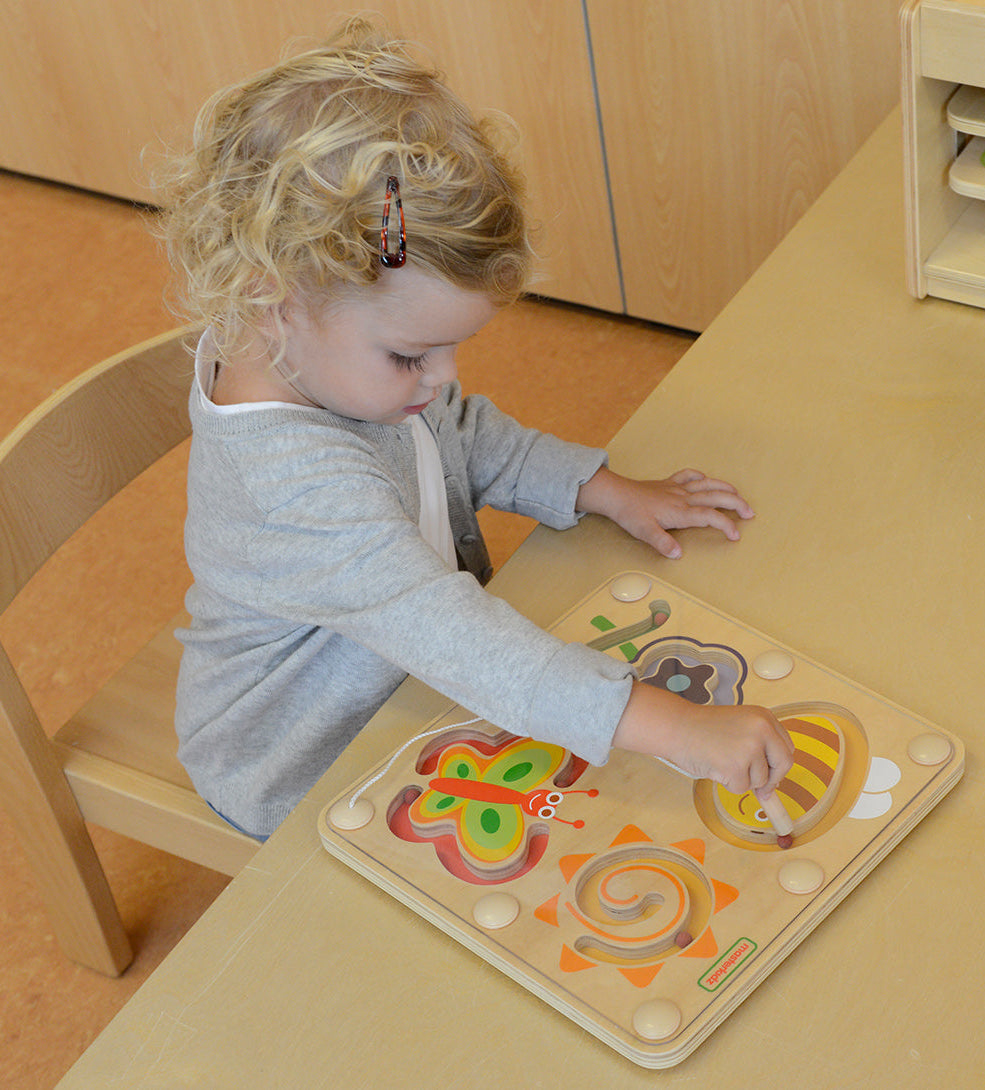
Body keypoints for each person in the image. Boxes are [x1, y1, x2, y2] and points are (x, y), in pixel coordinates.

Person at [156, 17, 793, 840]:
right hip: (303, 766)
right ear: (275, 301)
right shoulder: (289, 489)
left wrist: (600, 488)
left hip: (412, 688)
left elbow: (463, 435)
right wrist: (674, 728)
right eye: (414, 353)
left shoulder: (325, 356)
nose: (446, 377)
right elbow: (460, 641)